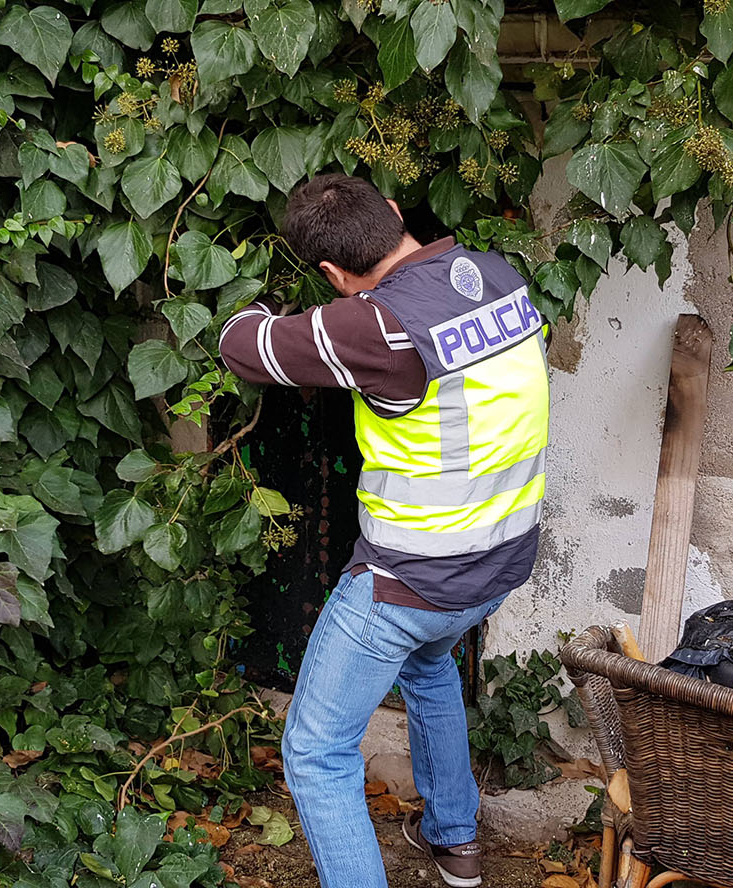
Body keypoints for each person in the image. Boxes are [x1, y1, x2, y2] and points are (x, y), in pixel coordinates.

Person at [218, 174, 550, 888]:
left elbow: (245, 347)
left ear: (334, 275)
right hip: (499, 562)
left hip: (411, 581)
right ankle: (455, 842)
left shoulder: (372, 325)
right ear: (396, 215)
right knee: (430, 667)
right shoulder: (494, 274)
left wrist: (259, 302)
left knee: (315, 754)